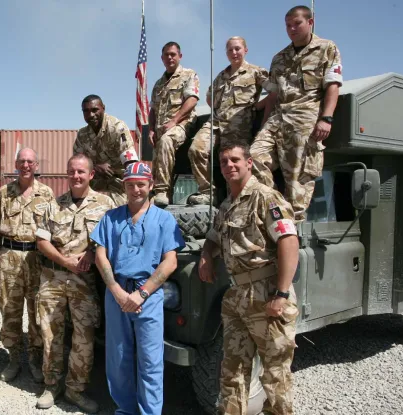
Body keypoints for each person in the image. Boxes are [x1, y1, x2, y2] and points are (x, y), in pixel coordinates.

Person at [198, 141, 299, 415]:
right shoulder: (227, 204)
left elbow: (289, 242)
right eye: (223, 162)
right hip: (237, 296)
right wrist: (206, 255)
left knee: (275, 374)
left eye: (235, 160)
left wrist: (281, 294)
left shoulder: (267, 197)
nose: (229, 165)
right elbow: (213, 237)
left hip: (265, 294)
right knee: (232, 371)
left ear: (249, 163)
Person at [91, 161, 185, 415]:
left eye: (141, 185)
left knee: (150, 360)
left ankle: (149, 412)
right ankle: (126, 409)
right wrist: (116, 291)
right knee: (118, 358)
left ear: (151, 185)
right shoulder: (111, 218)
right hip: (117, 293)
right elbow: (101, 255)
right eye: (131, 185)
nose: (136, 190)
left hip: (149, 295)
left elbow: (170, 261)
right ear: (124, 186)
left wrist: (142, 293)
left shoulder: (164, 220)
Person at [34, 153, 113, 413]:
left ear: (91, 174)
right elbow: (42, 241)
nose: (76, 176)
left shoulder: (105, 204)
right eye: (72, 171)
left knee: (84, 337)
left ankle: (76, 390)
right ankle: (51, 386)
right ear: (67, 174)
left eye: (81, 172)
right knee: (50, 334)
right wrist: (63, 261)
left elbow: (111, 240)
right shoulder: (53, 205)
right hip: (53, 278)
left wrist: (91, 254)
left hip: (84, 280)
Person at [250, 5, 343, 223]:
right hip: (278, 118)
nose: (292, 29)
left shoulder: (326, 48)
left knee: (296, 180)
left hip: (305, 118)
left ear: (310, 22)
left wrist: (326, 118)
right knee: (253, 158)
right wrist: (264, 125)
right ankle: (274, 209)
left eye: (297, 23)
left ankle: (295, 228)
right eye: (288, 25)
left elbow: (333, 85)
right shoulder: (279, 57)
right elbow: (272, 95)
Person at [0, 148, 54, 383]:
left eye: (30, 161)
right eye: (22, 161)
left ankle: (35, 360)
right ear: (16, 164)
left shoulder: (47, 194)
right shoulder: (4, 192)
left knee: (37, 312)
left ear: (36, 165)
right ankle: (14, 359)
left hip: (36, 259)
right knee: (9, 310)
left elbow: (51, 230)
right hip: (9, 256)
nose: (26, 165)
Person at [187, 36, 269, 206]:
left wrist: (255, 107)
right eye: (230, 50)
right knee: (196, 149)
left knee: (231, 163)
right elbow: (209, 97)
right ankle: (207, 192)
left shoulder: (256, 72)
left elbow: (275, 92)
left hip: (237, 126)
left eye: (237, 48)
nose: (234, 52)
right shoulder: (221, 77)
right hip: (216, 122)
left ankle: (235, 201)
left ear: (245, 50)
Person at [149, 41, 200, 206]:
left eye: (173, 54)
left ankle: (162, 191)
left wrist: (174, 120)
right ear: (162, 58)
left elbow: (192, 99)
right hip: (161, 128)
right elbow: (153, 110)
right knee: (158, 159)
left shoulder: (188, 74)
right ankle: (162, 197)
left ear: (180, 56)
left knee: (166, 140)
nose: (170, 57)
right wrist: (150, 130)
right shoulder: (158, 84)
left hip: (182, 124)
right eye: (166, 55)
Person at [73, 95, 139, 207]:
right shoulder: (82, 135)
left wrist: (133, 188)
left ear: (103, 108)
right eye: (86, 111)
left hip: (119, 180)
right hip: (95, 179)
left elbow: (130, 162)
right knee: (78, 199)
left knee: (121, 211)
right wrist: (95, 167)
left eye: (95, 110)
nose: (91, 115)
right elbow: (77, 164)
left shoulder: (117, 128)